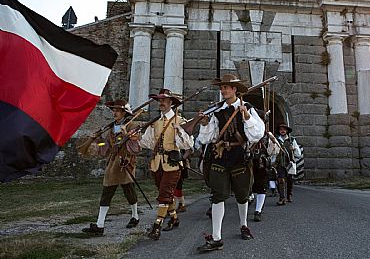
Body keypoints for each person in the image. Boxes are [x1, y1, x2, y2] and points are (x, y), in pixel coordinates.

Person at [196, 74, 265, 252]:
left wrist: (247, 117)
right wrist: (204, 123)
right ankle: (217, 238)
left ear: (235, 89)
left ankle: (243, 225)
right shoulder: (216, 111)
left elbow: (257, 134)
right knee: (218, 195)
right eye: (222, 87)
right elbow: (208, 137)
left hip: (239, 156)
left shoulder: (247, 108)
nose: (223, 90)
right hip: (220, 156)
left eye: (227, 87)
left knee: (242, 195)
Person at [139, 89, 194, 240]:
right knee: (166, 194)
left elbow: (188, 144)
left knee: (164, 194)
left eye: (164, 100)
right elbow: (148, 143)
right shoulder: (155, 122)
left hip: (172, 164)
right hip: (157, 163)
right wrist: (134, 137)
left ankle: (157, 226)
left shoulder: (180, 121)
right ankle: (174, 218)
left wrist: (180, 132)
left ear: (171, 103)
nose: (161, 103)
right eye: (159, 100)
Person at [82, 99, 141, 236]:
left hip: (125, 162)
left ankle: (135, 216)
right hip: (113, 163)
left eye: (117, 111)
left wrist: (126, 133)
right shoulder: (111, 129)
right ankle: (100, 225)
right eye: (113, 110)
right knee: (107, 191)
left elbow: (136, 145)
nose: (114, 113)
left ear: (124, 113)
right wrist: (97, 140)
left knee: (128, 190)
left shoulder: (132, 126)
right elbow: (106, 146)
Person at [250, 111, 280, 222]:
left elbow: (274, 151)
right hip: (248, 162)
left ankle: (258, 211)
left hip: (262, 163)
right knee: (248, 185)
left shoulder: (267, 134)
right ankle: (250, 197)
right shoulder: (249, 132)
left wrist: (273, 141)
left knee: (261, 186)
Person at [275, 123, 301, 205]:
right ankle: (282, 198)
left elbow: (298, 154)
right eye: (281, 129)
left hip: (289, 163)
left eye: (284, 129)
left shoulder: (292, 140)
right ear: (279, 131)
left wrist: (293, 149)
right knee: (280, 180)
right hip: (280, 163)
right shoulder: (276, 140)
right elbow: (272, 152)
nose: (282, 131)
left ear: (286, 131)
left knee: (289, 180)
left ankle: (289, 195)